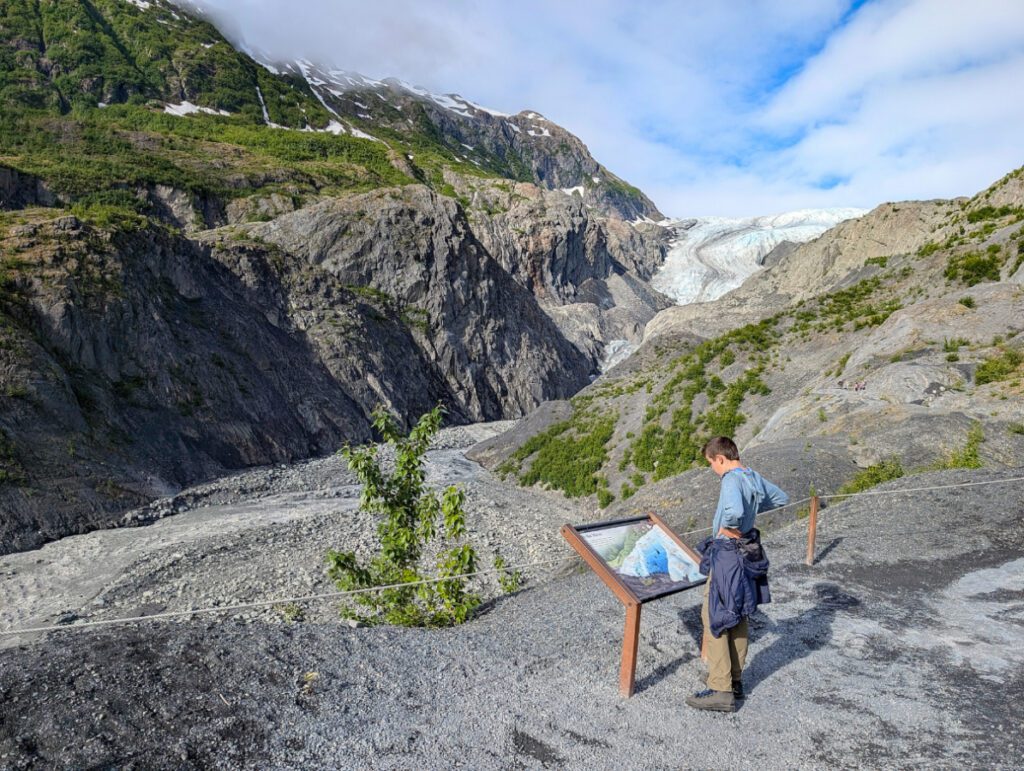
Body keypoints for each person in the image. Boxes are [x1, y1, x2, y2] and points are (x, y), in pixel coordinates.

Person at [686, 436, 789, 713]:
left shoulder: (731, 478)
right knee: (739, 614)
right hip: (746, 551)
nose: (713, 470)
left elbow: (733, 511)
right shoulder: (751, 475)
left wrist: (730, 526)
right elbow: (781, 498)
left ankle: (720, 689)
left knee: (715, 615)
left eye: (711, 464)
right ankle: (734, 680)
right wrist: (751, 512)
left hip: (728, 551)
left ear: (720, 458)